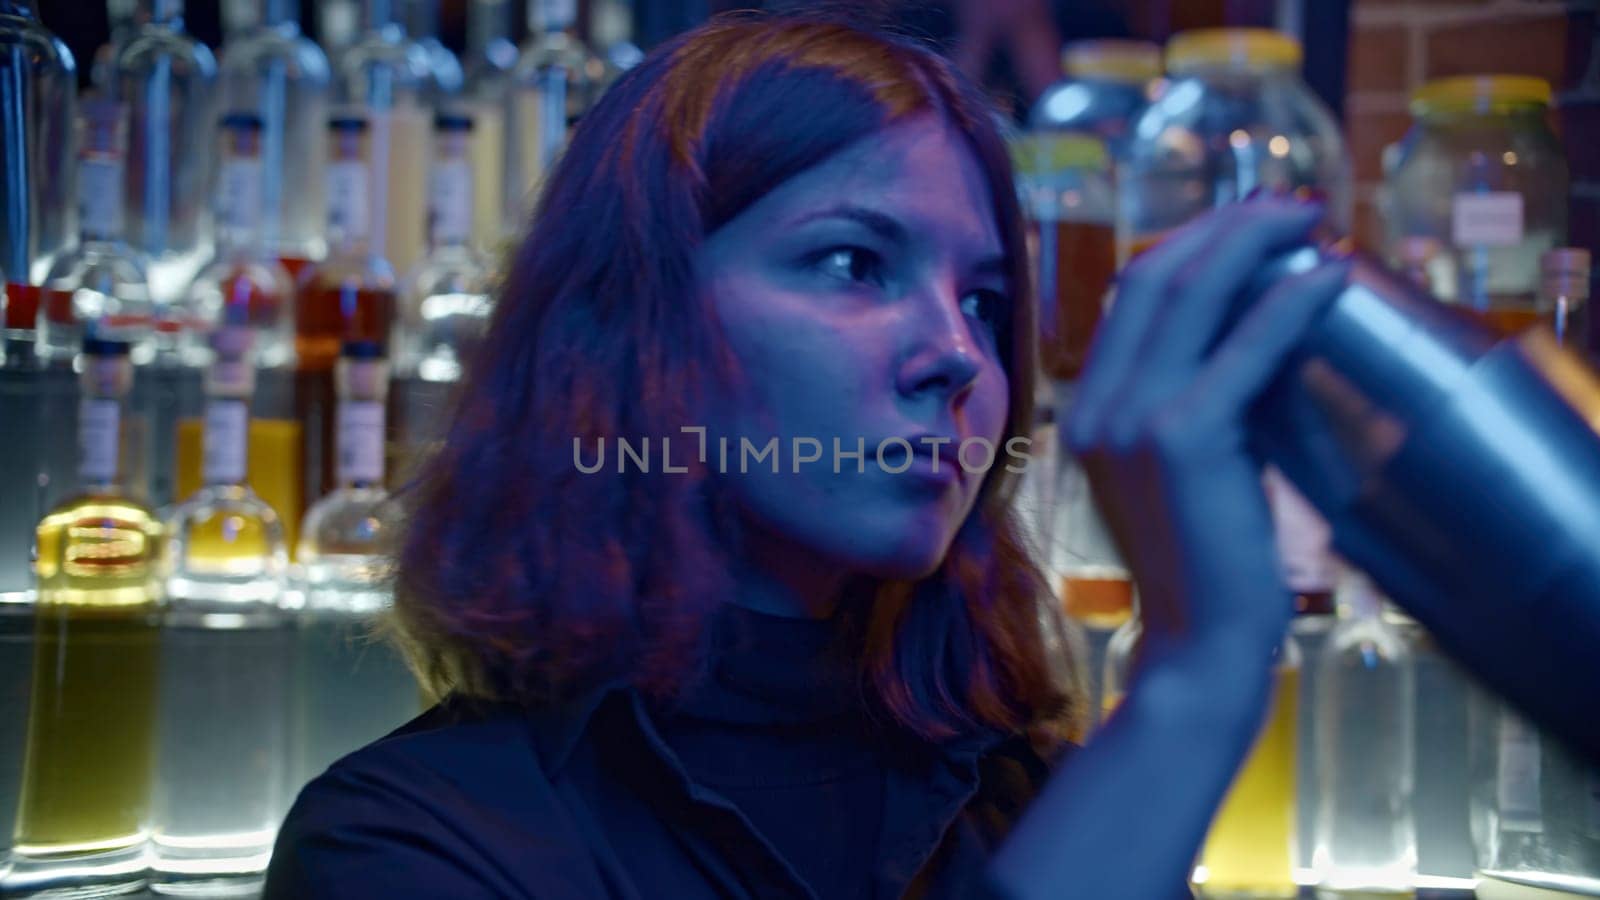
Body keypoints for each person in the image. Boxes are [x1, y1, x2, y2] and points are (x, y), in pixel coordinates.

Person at [263, 13, 1350, 900]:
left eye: (984, 299)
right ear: (637, 322)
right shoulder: (410, 843)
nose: (956, 355)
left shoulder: (1034, 800)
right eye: (853, 261)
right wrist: (1192, 681)